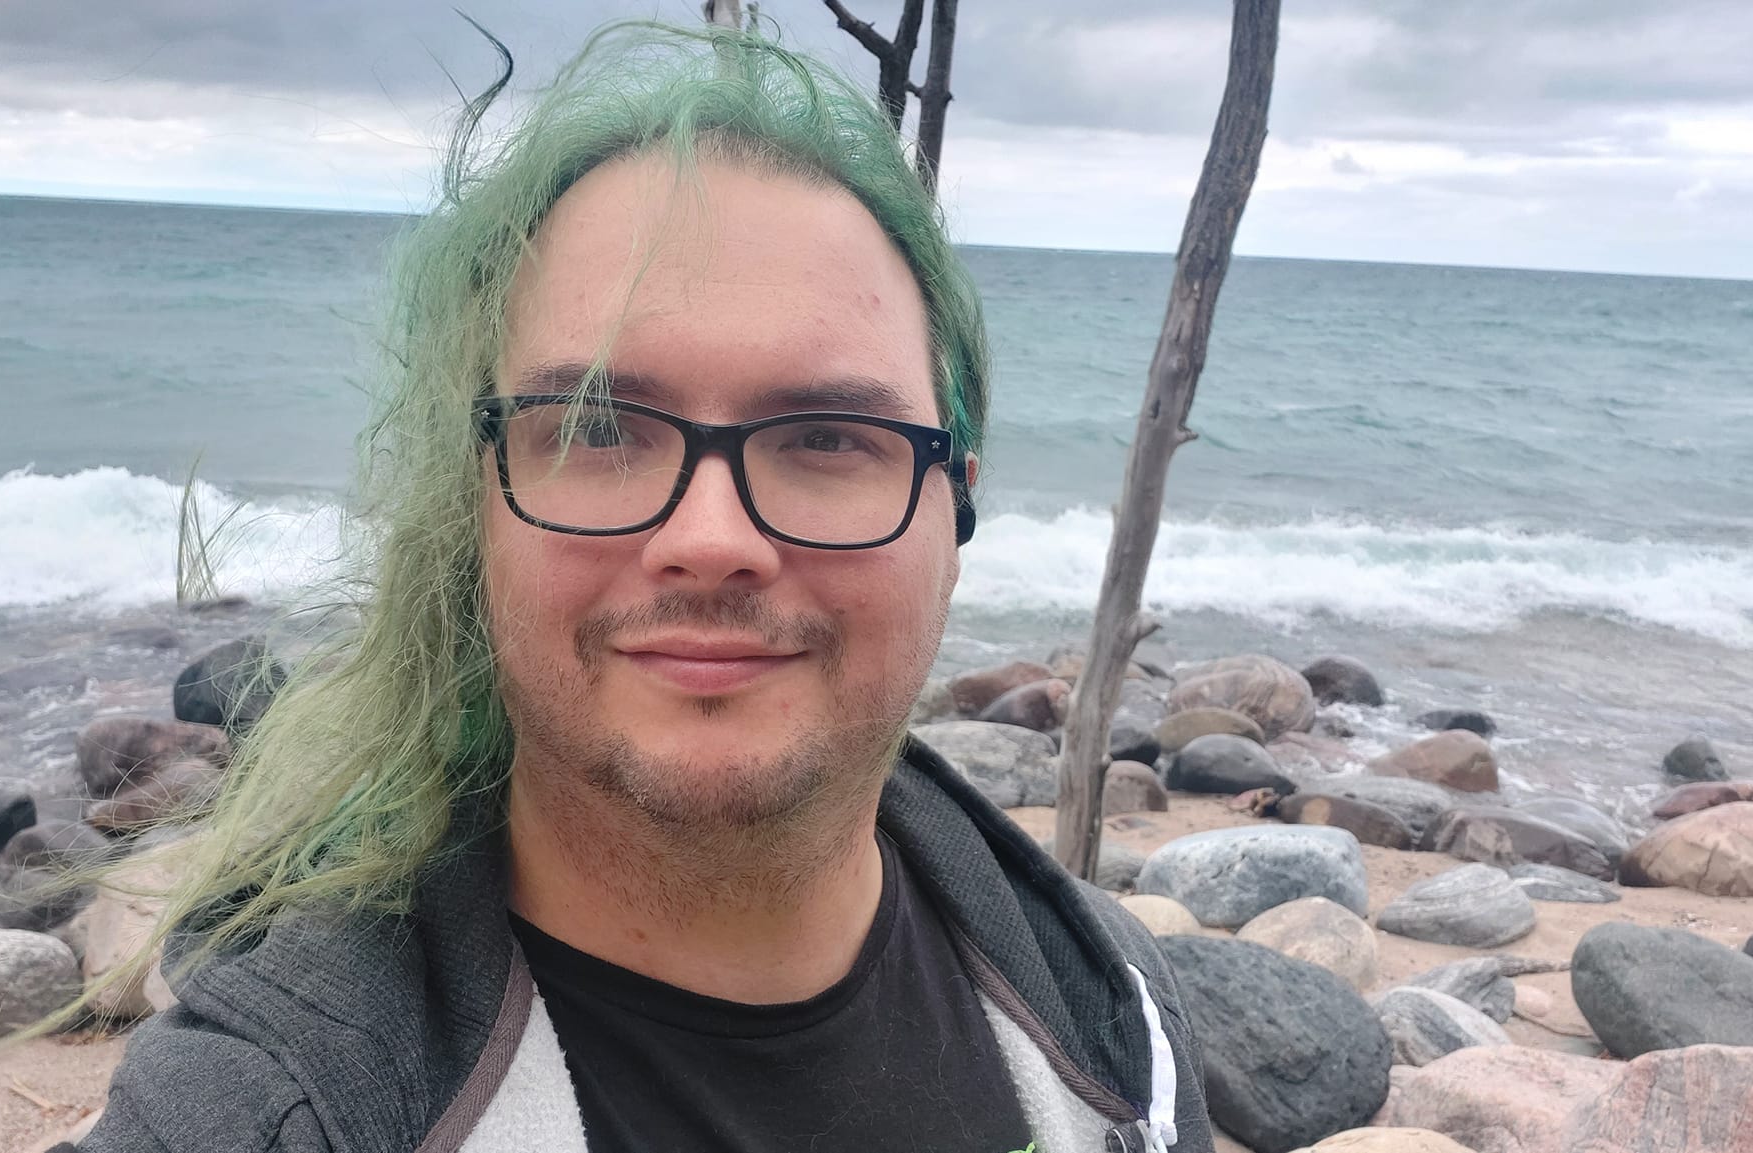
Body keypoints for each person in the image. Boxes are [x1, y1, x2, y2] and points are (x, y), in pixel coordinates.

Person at [77, 22, 1207, 1153]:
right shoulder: (263, 1112)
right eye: (596, 426)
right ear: (475, 506)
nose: (709, 540)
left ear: (950, 513)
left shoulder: (1114, 1017)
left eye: (825, 434)